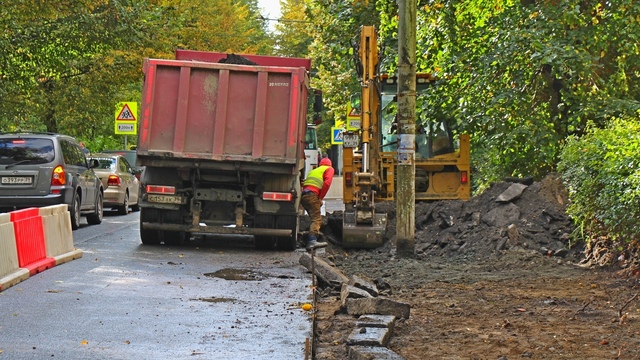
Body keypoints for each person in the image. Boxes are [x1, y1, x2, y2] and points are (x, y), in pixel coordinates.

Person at [300, 157, 334, 251]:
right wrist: (320, 198)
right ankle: (312, 241)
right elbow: (327, 183)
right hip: (312, 195)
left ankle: (305, 238)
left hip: (304, 196)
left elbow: (306, 183)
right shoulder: (329, 169)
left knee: (312, 218)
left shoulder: (314, 171)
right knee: (317, 219)